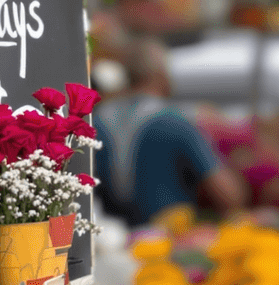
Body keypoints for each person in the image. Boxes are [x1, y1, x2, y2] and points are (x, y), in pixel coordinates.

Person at [94, 37, 245, 224]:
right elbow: (227, 193)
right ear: (160, 74)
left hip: (109, 235)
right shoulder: (175, 121)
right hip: (167, 237)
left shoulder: (97, 120)